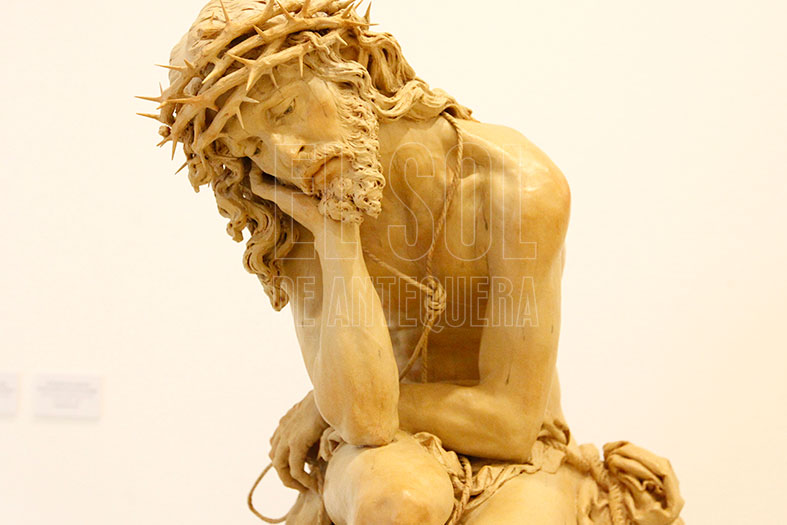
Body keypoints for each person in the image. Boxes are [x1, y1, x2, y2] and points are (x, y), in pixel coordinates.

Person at [142, 1, 684, 524]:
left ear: (344, 66)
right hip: (380, 448)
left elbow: (511, 424)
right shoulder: (297, 213)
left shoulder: (519, 188)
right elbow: (368, 422)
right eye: (255, 147)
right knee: (395, 503)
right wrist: (336, 237)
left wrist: (322, 404)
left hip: (517, 453)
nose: (288, 155)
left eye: (285, 110)